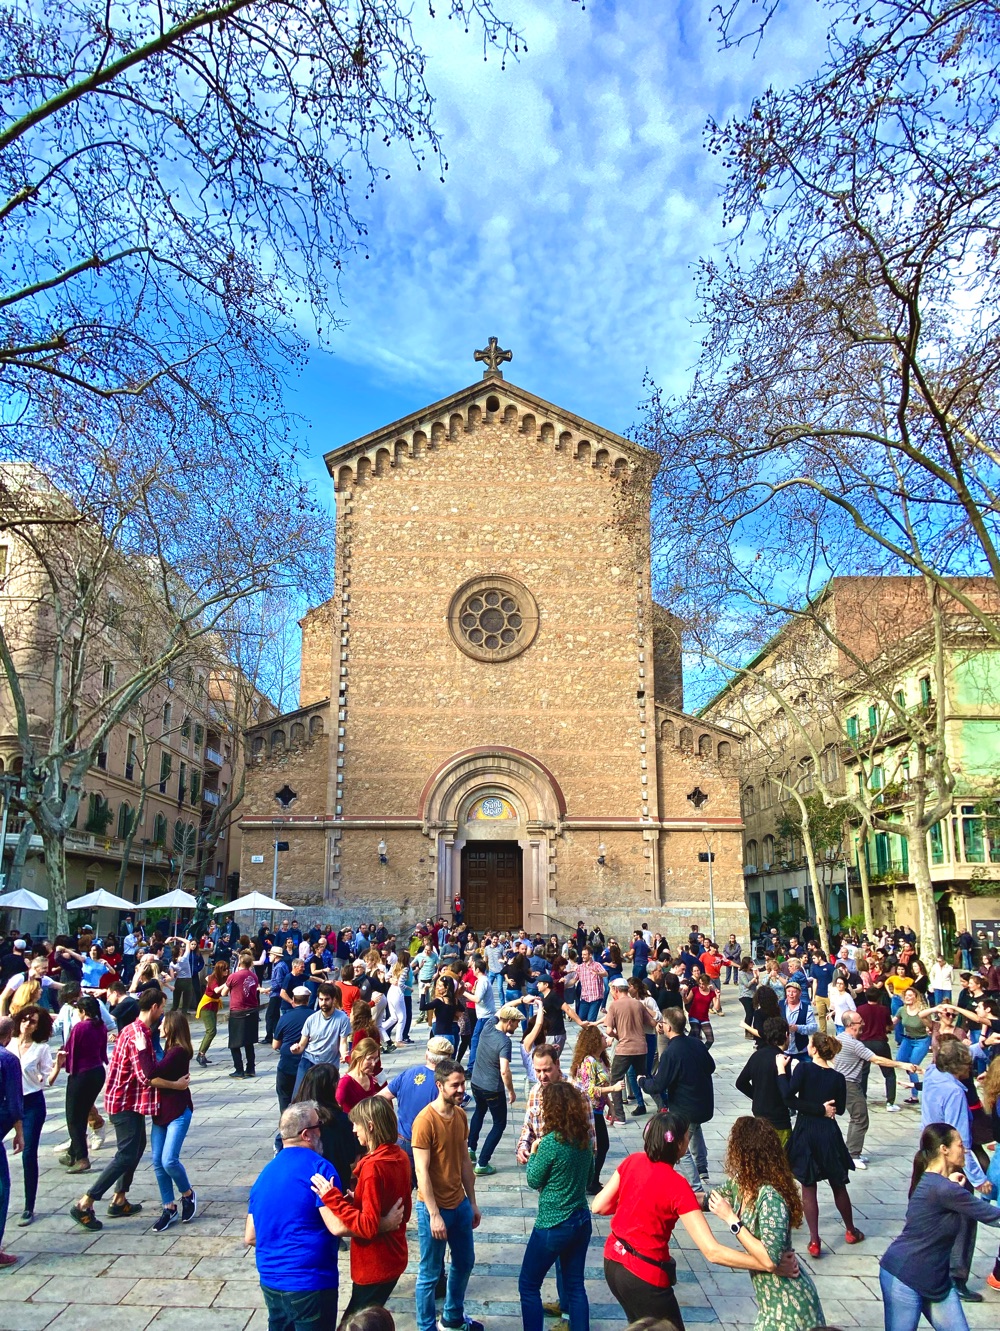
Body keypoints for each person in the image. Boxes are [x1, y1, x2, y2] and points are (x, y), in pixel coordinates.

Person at [593, 1109, 797, 1328]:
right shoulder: (677, 1186)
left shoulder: (633, 1161)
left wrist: (637, 1200)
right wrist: (767, 1265)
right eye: (687, 1136)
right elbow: (712, 1251)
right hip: (644, 1274)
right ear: (679, 1145)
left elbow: (599, 1206)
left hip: (613, 1262)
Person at [70, 987, 187, 1231]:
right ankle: (86, 1202)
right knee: (125, 1154)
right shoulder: (138, 1034)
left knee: (136, 1148)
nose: (164, 1012)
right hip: (124, 1103)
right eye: (163, 1007)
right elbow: (147, 1077)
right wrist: (176, 1085)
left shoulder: (136, 1029)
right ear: (154, 1007)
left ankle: (120, 1198)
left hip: (130, 1101)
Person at [879, 1122, 1000, 1331]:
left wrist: (952, 1185)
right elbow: (993, 1216)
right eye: (960, 1145)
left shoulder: (937, 1183)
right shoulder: (945, 1190)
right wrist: (952, 1188)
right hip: (905, 1277)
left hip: (937, 1280)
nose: (964, 1150)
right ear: (944, 1150)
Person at [709, 1116, 824, 1331]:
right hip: (770, 1304)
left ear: (743, 1152)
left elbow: (770, 1260)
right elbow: (711, 1199)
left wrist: (732, 1220)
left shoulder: (770, 1197)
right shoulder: (742, 1183)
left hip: (789, 1306)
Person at [246, 1102, 346, 1331]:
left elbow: (251, 1236)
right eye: (318, 1126)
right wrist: (384, 1223)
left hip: (271, 1282)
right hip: (311, 1283)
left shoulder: (265, 1174)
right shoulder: (320, 1169)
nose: (322, 1131)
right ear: (306, 1134)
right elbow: (338, 1226)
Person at [311, 1095, 411, 1322]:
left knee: (354, 1324)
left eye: (356, 1124)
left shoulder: (373, 1168)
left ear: (371, 1126)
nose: (354, 1130)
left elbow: (366, 1226)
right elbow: (403, 1208)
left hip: (374, 1264)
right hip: (394, 1257)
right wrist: (360, 1199)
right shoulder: (400, 1157)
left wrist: (332, 1198)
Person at [777, 1032, 864, 1257]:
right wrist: (824, 1108)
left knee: (809, 1186)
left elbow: (788, 1097)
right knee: (838, 1184)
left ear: (814, 1049)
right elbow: (841, 1109)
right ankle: (850, 1230)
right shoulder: (837, 1077)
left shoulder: (804, 1069)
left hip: (806, 1131)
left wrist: (780, 1072)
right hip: (829, 1133)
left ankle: (815, 1241)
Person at [412, 1057, 483, 1331]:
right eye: (455, 1085)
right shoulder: (425, 1121)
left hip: (460, 1204)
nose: (461, 1090)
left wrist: (472, 1203)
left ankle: (452, 1318)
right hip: (435, 1208)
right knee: (429, 1274)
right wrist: (433, 1215)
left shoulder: (461, 1115)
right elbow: (422, 1172)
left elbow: (465, 1162)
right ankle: (425, 1326)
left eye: (462, 1083)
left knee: (465, 1262)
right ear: (440, 1086)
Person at [518, 1081, 595, 1331]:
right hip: (581, 1219)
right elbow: (590, 1177)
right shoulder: (584, 1140)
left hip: (554, 1223)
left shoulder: (551, 1142)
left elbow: (533, 1179)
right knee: (575, 1286)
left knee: (529, 1284)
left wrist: (536, 1151)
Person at [920, 1036, 993, 1301]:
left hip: (927, 1153)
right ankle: (956, 1277)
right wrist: (978, 1177)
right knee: (963, 1218)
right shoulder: (954, 1092)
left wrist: (979, 1046)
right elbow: (961, 1140)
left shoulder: (932, 1073)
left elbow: (948, 1057)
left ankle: (933, 1270)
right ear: (958, 1067)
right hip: (950, 1160)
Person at [642, 1008, 715, 1194]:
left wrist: (642, 1081)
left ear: (668, 1027)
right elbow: (711, 1066)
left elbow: (658, 1085)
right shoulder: (696, 1044)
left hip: (685, 1108)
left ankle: (696, 1187)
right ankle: (703, 1168)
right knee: (694, 1128)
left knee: (678, 1147)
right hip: (703, 1104)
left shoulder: (671, 1052)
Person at [834, 1011, 920, 1168]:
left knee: (856, 1117)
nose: (864, 1025)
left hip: (840, 1082)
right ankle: (852, 1155)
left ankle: (851, 1152)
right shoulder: (855, 1044)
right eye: (860, 1022)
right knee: (860, 1118)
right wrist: (902, 1065)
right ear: (851, 1025)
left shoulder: (839, 1038)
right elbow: (877, 1059)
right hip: (849, 1084)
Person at [379, 1037, 455, 1183]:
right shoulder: (445, 1085)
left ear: (427, 1055)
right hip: (430, 1145)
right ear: (448, 1059)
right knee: (429, 1187)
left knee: (404, 1188)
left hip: (403, 1141)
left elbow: (381, 1097)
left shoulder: (408, 1073)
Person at [150, 1009, 196, 1231]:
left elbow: (151, 1074)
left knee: (169, 1160)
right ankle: (168, 1207)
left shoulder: (178, 1052)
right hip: (160, 1111)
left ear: (172, 1027)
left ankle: (187, 1194)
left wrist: (141, 1048)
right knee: (158, 1162)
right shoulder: (168, 1049)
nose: (159, 1027)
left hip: (177, 1110)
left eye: (162, 1024)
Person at [12, 1004, 58, 1225]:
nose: (27, 1024)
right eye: (25, 1019)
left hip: (31, 1103)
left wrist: (56, 1068)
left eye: (32, 1022)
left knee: (28, 1152)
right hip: (8, 1103)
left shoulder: (41, 1048)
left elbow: (47, 1080)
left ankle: (28, 1206)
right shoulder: (8, 1043)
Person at [467, 1003, 520, 1177]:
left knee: (479, 1112)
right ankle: (482, 1163)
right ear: (510, 1021)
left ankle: (470, 1148)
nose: (517, 1026)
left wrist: (520, 1000)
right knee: (499, 1123)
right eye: (517, 1022)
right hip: (492, 1088)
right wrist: (511, 1091)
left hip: (476, 1082)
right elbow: (504, 1070)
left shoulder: (488, 1025)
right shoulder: (505, 1041)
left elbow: (503, 1008)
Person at [570, 1022, 622, 1195]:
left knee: (600, 1146)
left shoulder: (600, 1060)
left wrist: (611, 1106)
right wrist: (613, 1089)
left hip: (598, 1109)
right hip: (589, 1111)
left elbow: (601, 1085)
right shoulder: (588, 1062)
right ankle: (590, 1181)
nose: (604, 1037)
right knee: (600, 1146)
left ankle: (591, 1180)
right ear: (593, 1040)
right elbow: (589, 1089)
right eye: (600, 1036)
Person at [58, 994, 108, 1173]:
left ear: (83, 1011)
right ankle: (73, 1152)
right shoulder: (100, 1025)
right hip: (97, 1071)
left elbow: (71, 1051)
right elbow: (103, 1051)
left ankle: (82, 1157)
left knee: (74, 1117)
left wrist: (63, 1064)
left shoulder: (81, 1027)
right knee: (83, 1111)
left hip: (82, 1074)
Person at [735, 1016, 793, 1146]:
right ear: (786, 1035)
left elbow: (740, 1083)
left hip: (759, 1115)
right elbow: (786, 1091)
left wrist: (756, 1096)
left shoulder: (756, 1056)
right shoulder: (783, 1060)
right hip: (779, 1119)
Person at [603, 977, 655, 1120]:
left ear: (616, 990)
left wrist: (618, 1035)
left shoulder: (614, 1006)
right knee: (643, 1076)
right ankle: (663, 1105)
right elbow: (652, 1022)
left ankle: (619, 1115)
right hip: (641, 1047)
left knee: (616, 1079)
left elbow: (608, 1031)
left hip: (625, 1048)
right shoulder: (638, 1004)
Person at [292, 982, 351, 1093]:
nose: (323, 1003)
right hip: (309, 1061)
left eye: (327, 999)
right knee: (298, 1096)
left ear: (334, 1000)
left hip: (329, 1065)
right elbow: (302, 1045)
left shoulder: (342, 1018)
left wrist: (344, 1055)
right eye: (321, 999)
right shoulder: (311, 1019)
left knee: (327, 1100)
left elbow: (343, 1042)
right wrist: (296, 1049)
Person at [0, 1015, 25, 1265]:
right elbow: (15, 1101)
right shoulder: (8, 1059)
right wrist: (19, 1131)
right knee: (1, 1187)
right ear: (9, 1037)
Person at [273, 987, 313, 1118]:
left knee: (284, 1098)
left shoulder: (285, 1017)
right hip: (308, 1065)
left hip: (286, 1065)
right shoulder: (314, 1017)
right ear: (308, 1000)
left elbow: (275, 1045)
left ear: (294, 1000)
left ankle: (286, 1124)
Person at [221, 949, 260, 1078]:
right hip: (252, 1010)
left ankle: (239, 1069)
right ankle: (251, 1068)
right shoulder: (254, 976)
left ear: (239, 963)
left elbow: (223, 993)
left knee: (235, 1043)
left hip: (238, 1011)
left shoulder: (234, 976)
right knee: (249, 1042)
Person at [195, 960, 230, 1066]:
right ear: (219, 970)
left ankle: (201, 1054)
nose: (227, 971)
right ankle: (200, 1054)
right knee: (211, 1031)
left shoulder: (222, 977)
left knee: (212, 1031)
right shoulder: (213, 978)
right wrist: (227, 984)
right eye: (224, 969)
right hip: (207, 1005)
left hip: (214, 1005)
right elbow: (216, 990)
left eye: (227, 969)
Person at [336, 1039, 383, 1113]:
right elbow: (336, 1108)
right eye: (369, 1059)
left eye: (375, 1059)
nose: (373, 1064)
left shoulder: (370, 1077)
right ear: (358, 1057)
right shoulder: (345, 1082)